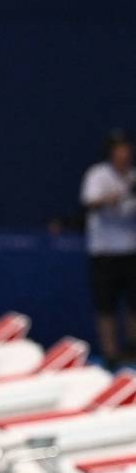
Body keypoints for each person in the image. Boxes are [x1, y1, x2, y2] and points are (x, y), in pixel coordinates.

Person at [80, 130, 136, 369]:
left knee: (134, 303)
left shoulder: (134, 176)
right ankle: (111, 354)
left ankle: (133, 349)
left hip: (130, 251)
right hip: (104, 253)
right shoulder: (98, 175)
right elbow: (90, 202)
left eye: (126, 148)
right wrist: (113, 198)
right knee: (106, 305)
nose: (123, 153)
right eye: (118, 149)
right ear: (111, 152)